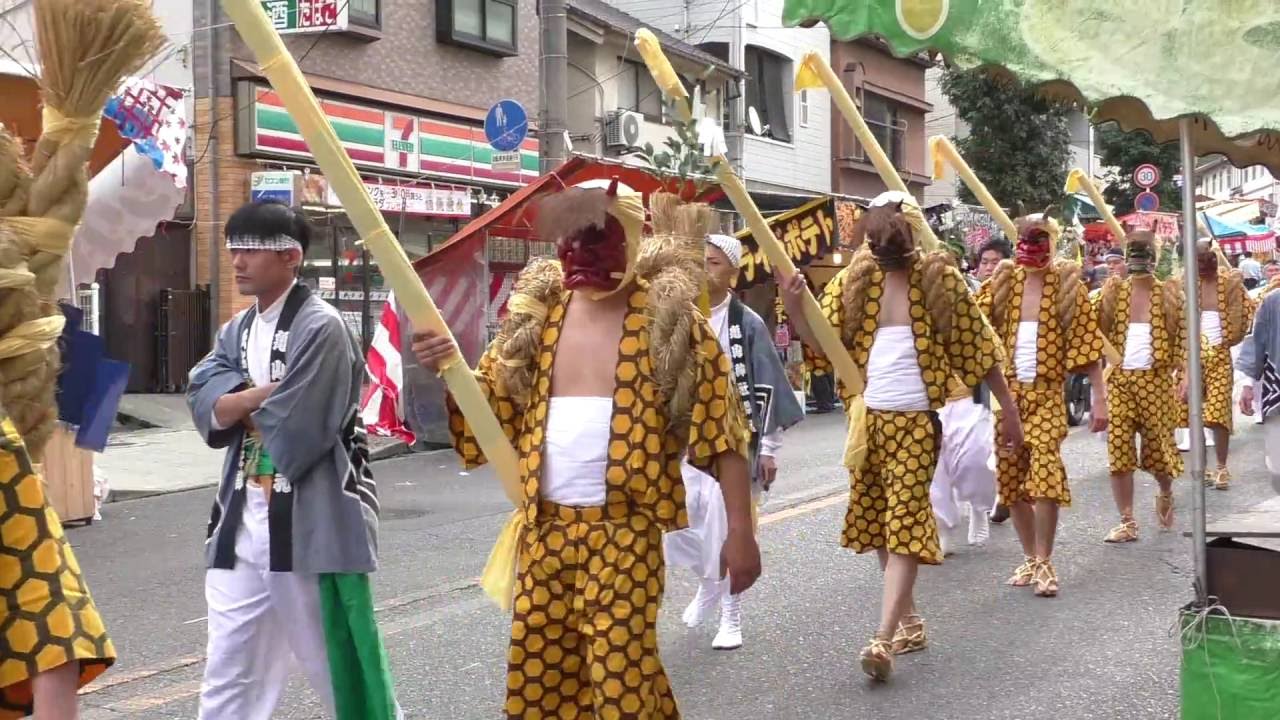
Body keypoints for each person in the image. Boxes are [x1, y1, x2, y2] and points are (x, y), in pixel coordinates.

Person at [412, 182, 760, 718]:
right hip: (544, 535)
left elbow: (723, 431)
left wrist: (741, 534)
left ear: (632, 238)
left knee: (623, 682)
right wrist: (449, 367)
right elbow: (493, 405)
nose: (579, 251)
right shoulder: (537, 318)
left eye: (597, 236)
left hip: (625, 534)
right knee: (541, 685)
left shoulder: (670, 321)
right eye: (569, 237)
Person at [781, 192, 1021, 682]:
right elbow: (823, 341)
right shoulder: (854, 280)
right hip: (868, 421)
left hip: (916, 423)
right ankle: (909, 622)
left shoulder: (938, 279)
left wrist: (1010, 413)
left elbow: (977, 348)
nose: (883, 245)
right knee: (879, 527)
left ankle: (883, 637)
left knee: (905, 523)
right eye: (877, 237)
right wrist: (792, 304)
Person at [187, 201, 400, 720]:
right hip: (241, 512)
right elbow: (203, 394)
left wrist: (236, 401)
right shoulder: (237, 329)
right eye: (234, 249)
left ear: (291, 257)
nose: (238, 261)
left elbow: (301, 423)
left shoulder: (322, 326)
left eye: (252, 251)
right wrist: (258, 395)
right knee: (229, 660)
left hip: (309, 515)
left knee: (333, 657)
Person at [665, 234, 804, 651]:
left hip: (733, 444)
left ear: (733, 271)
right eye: (700, 262)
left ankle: (731, 613)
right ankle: (709, 582)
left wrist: (768, 450)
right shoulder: (679, 318)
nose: (704, 270)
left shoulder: (748, 323)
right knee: (677, 527)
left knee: (727, 528)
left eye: (713, 262)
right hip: (685, 441)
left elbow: (767, 388)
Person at [974, 211, 1108, 598]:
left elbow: (1087, 342)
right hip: (1008, 396)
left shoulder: (1066, 285)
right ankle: (1032, 557)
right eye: (1025, 239)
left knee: (1046, 472)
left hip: (1048, 393)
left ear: (1051, 242)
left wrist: (1099, 396)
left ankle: (1046, 560)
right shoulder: (1002, 283)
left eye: (1039, 239)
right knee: (1012, 482)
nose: (1031, 247)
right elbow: (971, 327)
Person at [1092, 233, 1185, 542]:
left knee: (1159, 453)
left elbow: (1184, 336)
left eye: (1143, 253)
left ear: (1154, 259)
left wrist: (1184, 375)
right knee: (1118, 449)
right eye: (1133, 253)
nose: (1138, 259)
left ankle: (1165, 490)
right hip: (1119, 380)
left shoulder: (1168, 294)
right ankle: (1127, 520)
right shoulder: (1114, 293)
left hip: (1156, 382)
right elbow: (1090, 324)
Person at [1175, 239, 1254, 490]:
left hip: (1219, 356)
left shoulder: (1229, 284)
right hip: (1191, 357)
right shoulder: (1184, 285)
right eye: (1199, 261)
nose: (1205, 265)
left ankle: (1221, 466)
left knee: (1218, 415)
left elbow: (1247, 312)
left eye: (1209, 259)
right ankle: (1202, 467)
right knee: (1192, 416)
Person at [1238, 290, 1280, 492]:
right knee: (1278, 468)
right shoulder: (1272, 302)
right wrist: (1247, 384)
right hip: (1277, 392)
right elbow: (1256, 342)